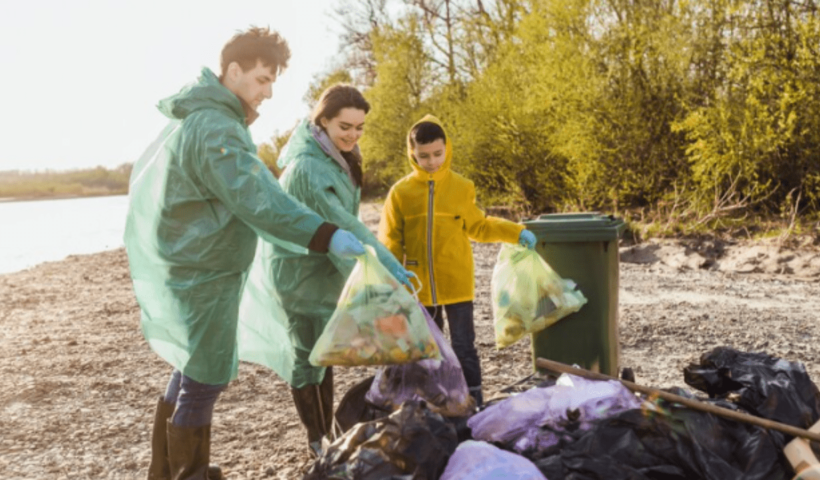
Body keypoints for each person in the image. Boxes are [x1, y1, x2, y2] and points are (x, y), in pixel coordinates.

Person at [124, 27, 366, 480]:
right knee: (206, 375)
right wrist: (325, 234)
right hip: (205, 271)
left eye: (273, 81)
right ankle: (187, 473)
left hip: (197, 265)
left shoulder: (206, 118)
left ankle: (165, 469)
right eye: (261, 79)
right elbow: (258, 197)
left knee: (189, 366)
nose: (269, 92)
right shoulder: (216, 127)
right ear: (232, 71)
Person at [239, 84, 415, 456]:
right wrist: (387, 266)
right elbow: (344, 223)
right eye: (344, 126)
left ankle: (328, 435)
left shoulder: (337, 155)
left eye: (359, 127)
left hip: (325, 267)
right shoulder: (308, 168)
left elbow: (345, 223)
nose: (353, 134)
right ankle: (316, 440)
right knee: (307, 355)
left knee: (325, 350)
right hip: (298, 272)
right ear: (322, 121)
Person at [377, 115, 537, 407]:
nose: (432, 161)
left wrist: (515, 232)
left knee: (464, 347)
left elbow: (480, 226)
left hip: (458, 284)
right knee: (427, 350)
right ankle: (435, 404)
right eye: (423, 155)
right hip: (418, 288)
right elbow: (390, 239)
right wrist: (392, 274)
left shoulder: (462, 187)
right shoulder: (400, 193)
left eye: (438, 153)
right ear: (411, 153)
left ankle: (473, 401)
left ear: (446, 148)